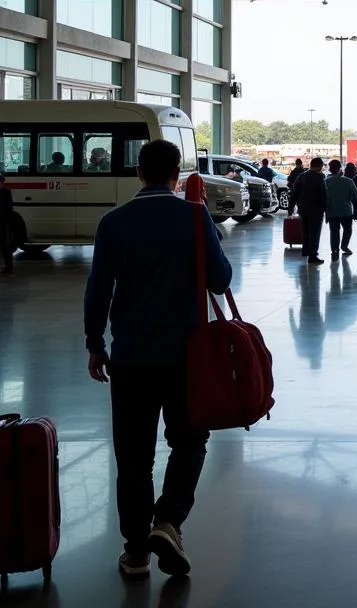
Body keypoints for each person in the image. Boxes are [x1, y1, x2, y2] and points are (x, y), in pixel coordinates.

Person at [83, 139, 232, 578]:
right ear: (176, 175)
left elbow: (99, 289)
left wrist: (96, 342)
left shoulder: (114, 222)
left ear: (138, 174)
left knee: (133, 457)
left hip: (130, 357)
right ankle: (168, 521)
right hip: (187, 357)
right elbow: (221, 280)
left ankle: (135, 552)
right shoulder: (193, 214)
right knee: (189, 441)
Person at [291, 157, 327, 265]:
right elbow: (323, 195)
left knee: (305, 230)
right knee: (315, 233)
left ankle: (305, 251)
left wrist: (290, 207)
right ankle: (313, 256)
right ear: (320, 166)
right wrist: (326, 209)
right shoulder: (320, 177)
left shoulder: (301, 176)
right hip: (316, 210)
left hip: (303, 209)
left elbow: (294, 192)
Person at [325, 159, 357, 259]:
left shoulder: (326, 181)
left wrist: (326, 212)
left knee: (334, 232)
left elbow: (325, 198)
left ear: (330, 169)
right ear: (340, 168)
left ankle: (335, 249)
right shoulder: (348, 181)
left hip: (332, 211)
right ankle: (344, 246)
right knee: (347, 230)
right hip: (346, 211)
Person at [0, 168, 14, 277]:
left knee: (5, 245)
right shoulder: (6, 191)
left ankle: (9, 267)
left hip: (3, 223)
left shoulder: (6, 191)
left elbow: (8, 209)